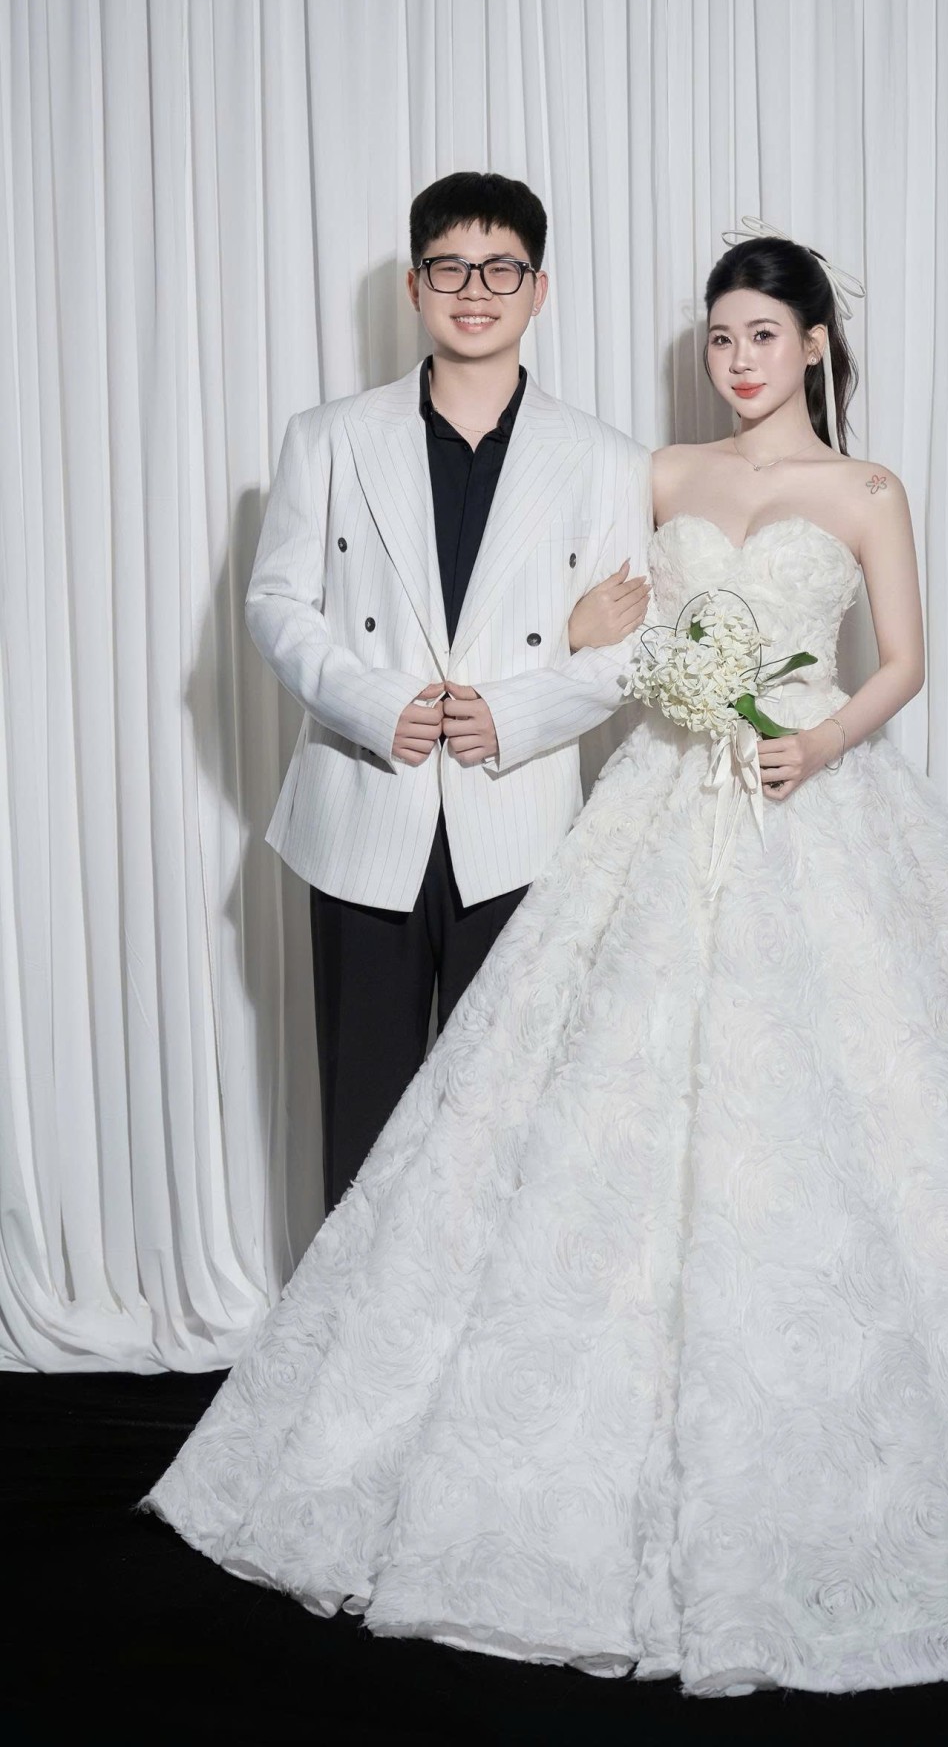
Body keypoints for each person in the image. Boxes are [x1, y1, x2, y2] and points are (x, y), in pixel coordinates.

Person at [143, 227, 948, 1698]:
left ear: (812, 346)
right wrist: (592, 634)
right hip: (663, 803)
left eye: (760, 336)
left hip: (810, 803)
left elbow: (903, 658)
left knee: (858, 1097)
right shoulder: (660, 474)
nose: (736, 361)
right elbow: (608, 633)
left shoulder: (867, 490)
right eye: (719, 339)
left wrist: (819, 739)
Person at [244, 171, 650, 1209]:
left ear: (539, 289)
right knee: (365, 1112)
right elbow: (277, 602)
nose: (475, 290)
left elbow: (625, 650)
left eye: (501, 268)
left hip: (518, 820)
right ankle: (348, 1315)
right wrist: (371, 703)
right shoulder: (329, 436)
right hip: (362, 805)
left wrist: (513, 713)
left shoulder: (606, 460)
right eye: (450, 267)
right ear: (414, 286)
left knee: (502, 1116)